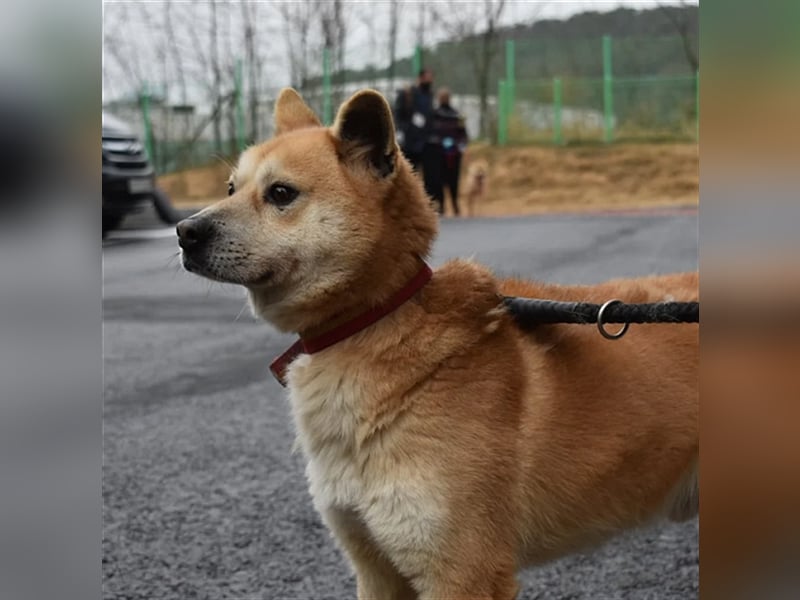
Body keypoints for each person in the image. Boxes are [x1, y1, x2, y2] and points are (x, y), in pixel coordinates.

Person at [393, 69, 439, 203]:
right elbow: (398, 114)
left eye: (431, 78)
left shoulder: (429, 95)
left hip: (425, 142)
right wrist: (401, 130)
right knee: (409, 173)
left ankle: (426, 202)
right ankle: (406, 202)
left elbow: (430, 117)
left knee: (430, 176)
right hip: (410, 141)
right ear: (421, 78)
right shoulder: (408, 94)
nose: (430, 81)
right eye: (427, 78)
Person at [430, 87, 469, 216]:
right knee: (439, 180)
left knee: (454, 180)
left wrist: (461, 145)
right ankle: (441, 205)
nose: (444, 99)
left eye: (446, 97)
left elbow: (463, 134)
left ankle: (455, 205)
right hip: (438, 154)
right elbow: (430, 133)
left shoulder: (457, 115)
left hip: (453, 154)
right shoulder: (434, 115)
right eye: (442, 97)